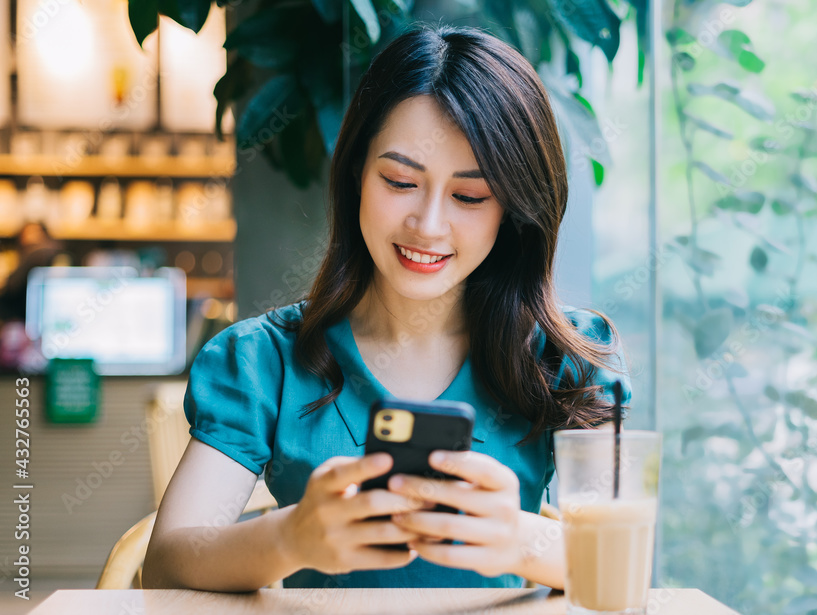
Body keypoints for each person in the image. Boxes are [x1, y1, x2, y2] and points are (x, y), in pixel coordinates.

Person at [143, 24, 631, 592]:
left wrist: (521, 540)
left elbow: (620, 569)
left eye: (469, 196)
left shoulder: (570, 358)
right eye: (400, 180)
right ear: (356, 173)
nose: (427, 226)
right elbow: (168, 565)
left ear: (514, 210)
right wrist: (290, 538)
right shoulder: (263, 361)